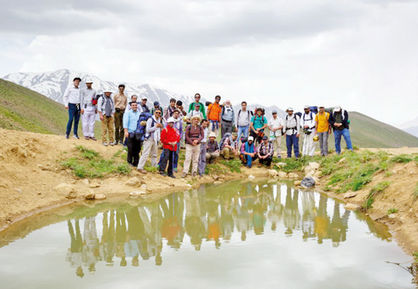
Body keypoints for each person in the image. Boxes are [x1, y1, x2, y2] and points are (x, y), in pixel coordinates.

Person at [137, 108, 164, 173]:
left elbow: (158, 131)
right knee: (145, 153)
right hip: (149, 138)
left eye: (159, 113)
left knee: (154, 154)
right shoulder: (150, 119)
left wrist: (159, 138)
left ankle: (153, 167)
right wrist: (156, 127)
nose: (158, 114)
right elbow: (148, 130)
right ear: (154, 112)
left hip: (155, 139)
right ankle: (140, 167)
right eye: (157, 112)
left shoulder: (159, 120)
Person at [123, 101, 141, 166]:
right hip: (130, 132)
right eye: (133, 105)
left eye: (135, 105)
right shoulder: (128, 113)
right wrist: (126, 131)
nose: (134, 106)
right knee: (130, 148)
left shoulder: (139, 114)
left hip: (138, 133)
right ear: (130, 106)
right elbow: (125, 123)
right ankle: (129, 162)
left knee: (137, 149)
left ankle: (136, 162)